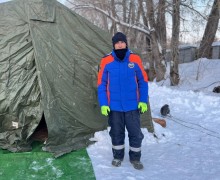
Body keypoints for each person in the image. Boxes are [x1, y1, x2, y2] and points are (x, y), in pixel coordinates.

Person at [97, 32, 148, 170]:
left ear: (126, 43)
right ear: (114, 45)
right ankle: (118, 156)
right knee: (116, 133)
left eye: (122, 42)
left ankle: (135, 158)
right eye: (117, 42)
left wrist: (143, 101)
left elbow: (143, 81)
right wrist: (103, 104)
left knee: (135, 133)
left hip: (132, 106)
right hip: (114, 107)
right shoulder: (106, 61)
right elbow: (101, 84)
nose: (120, 44)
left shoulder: (135, 59)